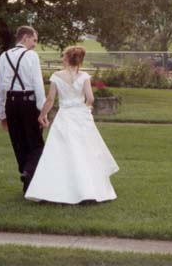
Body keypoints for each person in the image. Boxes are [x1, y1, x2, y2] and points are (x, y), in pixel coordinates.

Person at [25, 46, 119, 204]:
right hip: (81, 116)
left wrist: (42, 115)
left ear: (67, 58)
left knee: (60, 152)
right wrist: (86, 109)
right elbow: (90, 98)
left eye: (64, 56)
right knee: (85, 151)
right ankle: (89, 189)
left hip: (65, 116)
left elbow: (50, 99)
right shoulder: (84, 77)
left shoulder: (56, 76)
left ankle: (55, 191)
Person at [0, 26, 46, 193]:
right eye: (34, 40)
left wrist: (2, 113)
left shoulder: (4, 56)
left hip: (11, 103)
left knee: (18, 143)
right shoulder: (32, 56)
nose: (35, 44)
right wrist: (42, 112)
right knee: (37, 144)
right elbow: (38, 85)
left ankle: (27, 180)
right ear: (25, 37)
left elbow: (1, 87)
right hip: (27, 103)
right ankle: (28, 172)